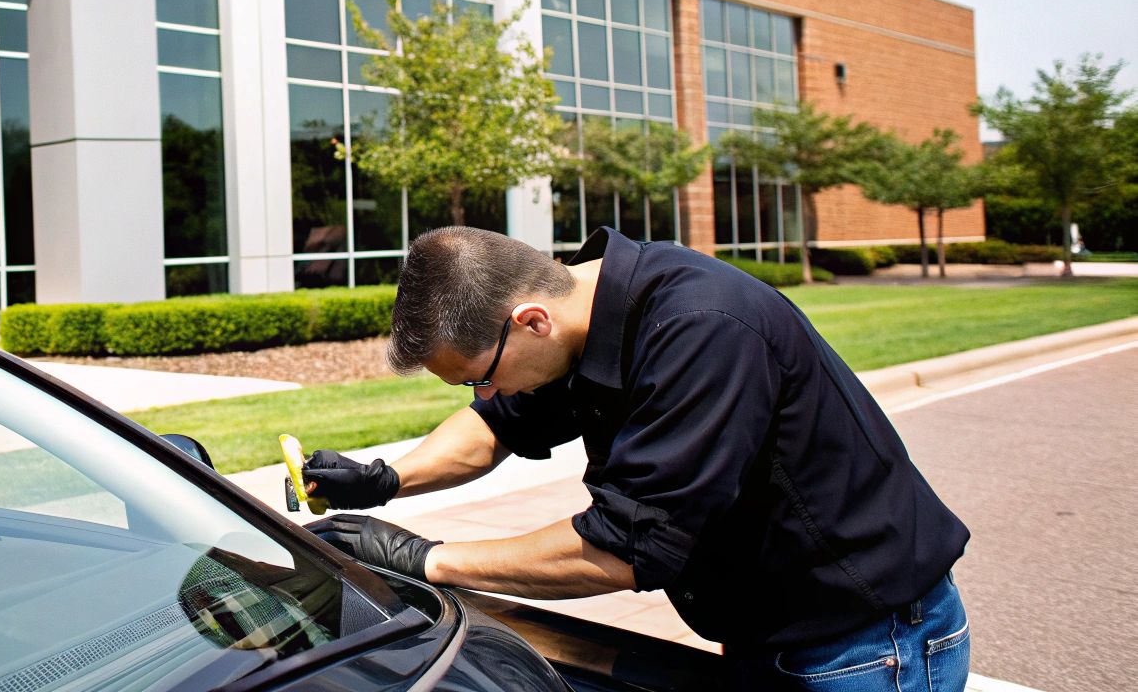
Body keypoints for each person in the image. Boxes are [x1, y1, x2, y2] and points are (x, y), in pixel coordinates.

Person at [302, 226, 971, 691]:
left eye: (478, 374)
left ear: (530, 320)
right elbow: (495, 426)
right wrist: (385, 479)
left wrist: (424, 559)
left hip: (864, 645)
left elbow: (626, 546)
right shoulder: (583, 318)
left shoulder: (701, 330)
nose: (482, 392)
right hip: (769, 628)